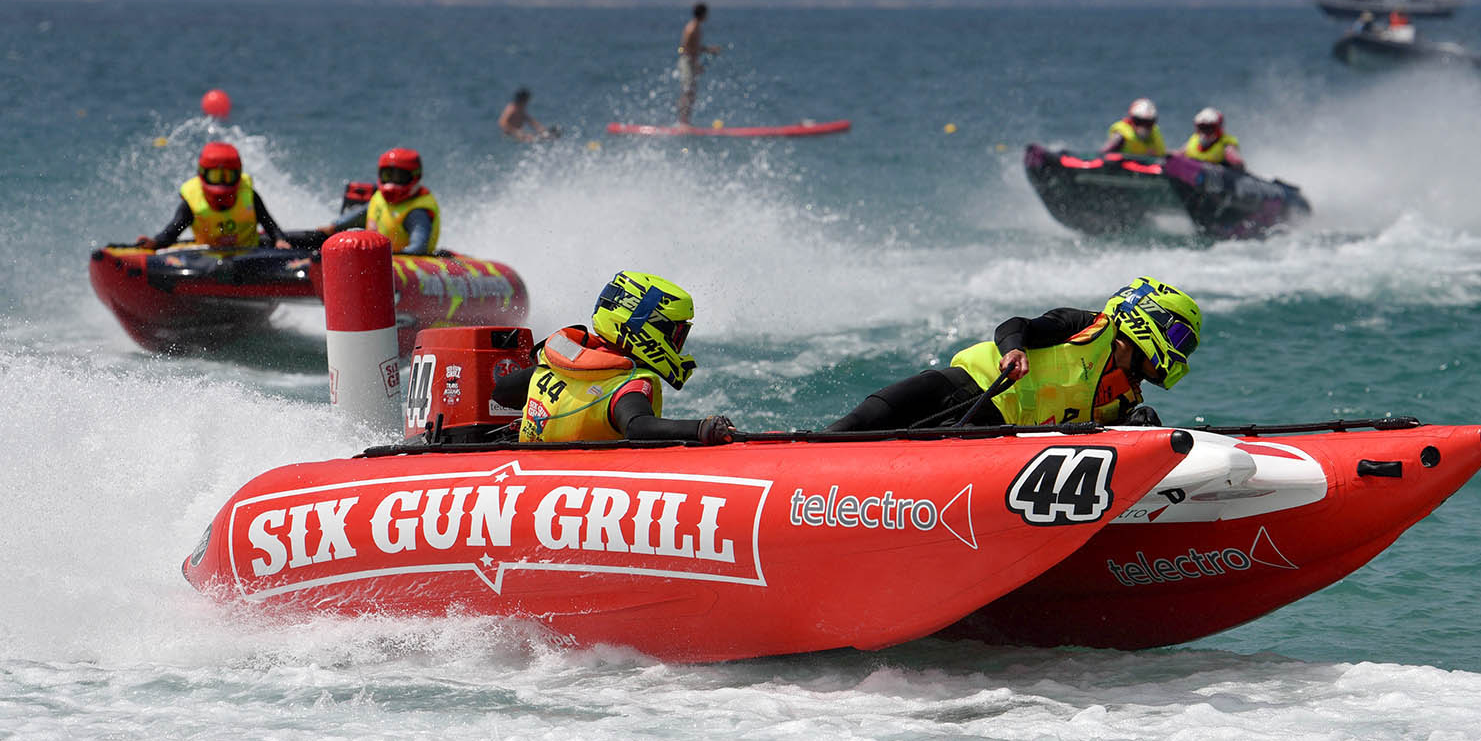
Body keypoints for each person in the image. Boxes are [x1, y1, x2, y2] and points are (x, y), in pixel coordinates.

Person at [823, 277, 1201, 433]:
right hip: (959, 386)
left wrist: (1142, 425)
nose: (1180, 356)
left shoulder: (1123, 397)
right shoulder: (1087, 326)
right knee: (852, 428)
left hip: (990, 429)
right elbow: (1014, 325)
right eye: (1180, 340)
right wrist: (1015, 349)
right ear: (1149, 321)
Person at [495, 270, 736, 445]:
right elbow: (637, 426)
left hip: (531, 471)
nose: (677, 344)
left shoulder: (558, 361)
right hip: (583, 482)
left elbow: (501, 392)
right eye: (676, 335)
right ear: (645, 326)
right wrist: (701, 428)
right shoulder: (628, 382)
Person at [138, 142, 289, 250]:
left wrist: (280, 240)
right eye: (215, 176)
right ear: (203, 174)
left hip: (250, 255)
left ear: (238, 174)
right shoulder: (192, 202)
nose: (222, 182)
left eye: (228, 176)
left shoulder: (249, 195)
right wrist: (155, 243)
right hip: (208, 261)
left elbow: (270, 225)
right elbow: (172, 232)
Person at [320, 147, 442, 255]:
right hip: (374, 255)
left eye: (399, 177)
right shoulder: (379, 197)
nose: (392, 183)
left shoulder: (418, 210)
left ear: (414, 176)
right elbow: (359, 216)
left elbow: (419, 247)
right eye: (387, 176)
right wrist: (332, 228)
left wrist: (390, 256)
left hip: (401, 260)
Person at [676, 2, 721, 126]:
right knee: (688, 91)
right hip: (687, 62)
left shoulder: (696, 28)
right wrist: (694, 64)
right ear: (703, 14)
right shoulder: (691, 29)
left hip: (691, 62)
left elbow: (694, 47)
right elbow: (685, 48)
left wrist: (709, 50)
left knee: (692, 92)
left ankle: (686, 121)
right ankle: (682, 122)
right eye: (707, 13)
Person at [1183, 108, 1245, 172]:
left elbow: (1238, 163)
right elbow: (1179, 156)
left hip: (1220, 174)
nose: (1205, 132)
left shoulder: (1225, 144)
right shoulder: (1193, 140)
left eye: (1209, 128)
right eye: (1202, 128)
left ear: (1218, 128)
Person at [1099, 98, 1167, 157]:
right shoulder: (1121, 134)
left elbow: (1163, 155)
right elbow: (1104, 154)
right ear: (1131, 119)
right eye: (1139, 121)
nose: (1143, 127)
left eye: (1148, 123)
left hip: (1148, 167)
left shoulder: (1155, 133)